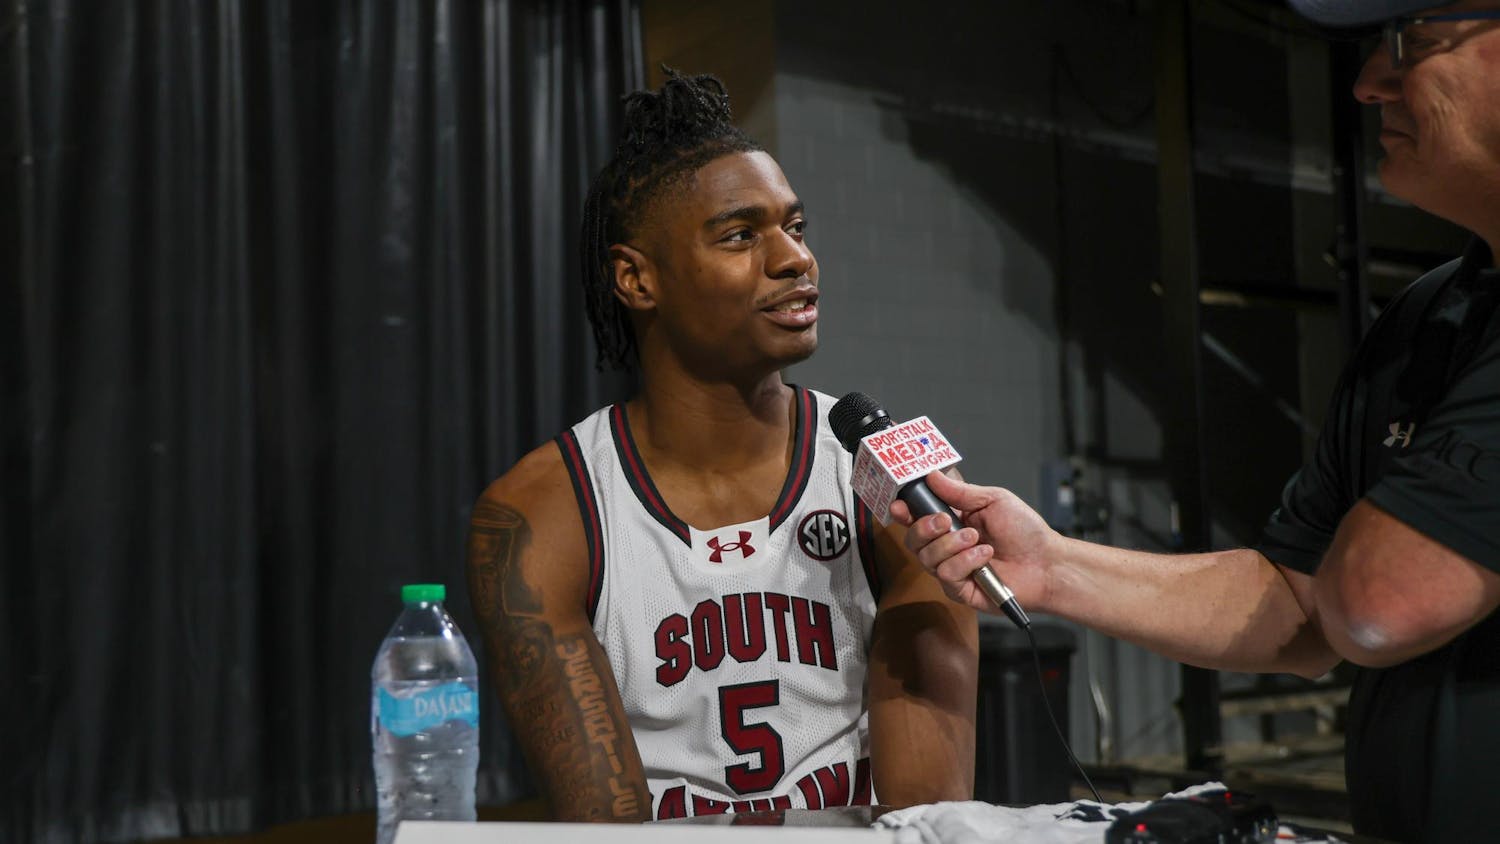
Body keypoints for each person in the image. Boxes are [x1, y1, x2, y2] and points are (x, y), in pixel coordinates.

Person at [894, 2, 1500, 841]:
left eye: (1412, 40)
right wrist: (1053, 568)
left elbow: (1379, 600)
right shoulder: (1428, 318)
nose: (1369, 82)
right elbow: (1298, 601)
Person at [465, 70, 978, 823]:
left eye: (795, 228)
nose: (794, 260)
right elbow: (609, 833)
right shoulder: (543, 512)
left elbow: (926, 817)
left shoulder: (902, 482)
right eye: (741, 235)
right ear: (636, 279)